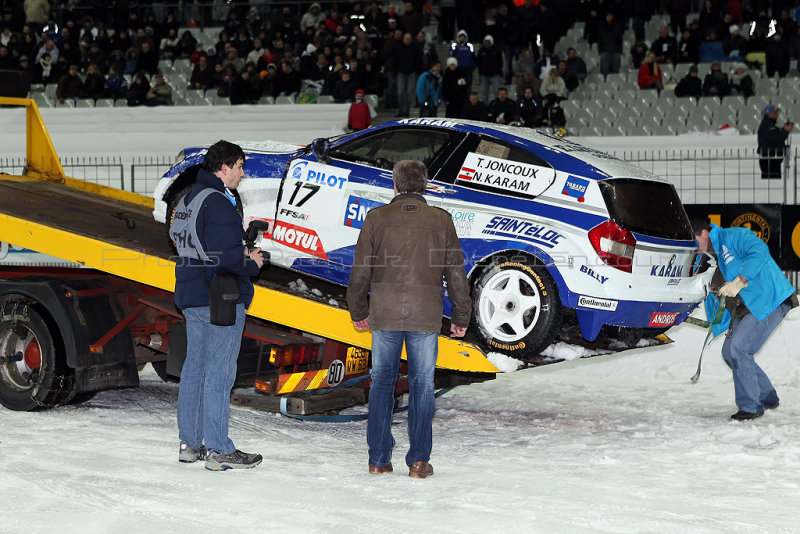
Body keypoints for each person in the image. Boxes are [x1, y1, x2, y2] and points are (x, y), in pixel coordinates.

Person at [346, 160, 472, 479]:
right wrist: (461, 314)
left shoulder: (376, 218)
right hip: (425, 316)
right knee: (421, 385)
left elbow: (360, 271)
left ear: (395, 186)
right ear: (425, 186)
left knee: (382, 384)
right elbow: (455, 273)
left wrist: (358, 310)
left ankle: (378, 459)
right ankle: (418, 461)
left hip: (385, 314)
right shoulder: (441, 220)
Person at [174, 140, 265, 470]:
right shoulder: (219, 203)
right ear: (224, 168)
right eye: (240, 166)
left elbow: (194, 244)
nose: (242, 173)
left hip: (192, 294)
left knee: (195, 370)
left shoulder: (188, 198)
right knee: (219, 374)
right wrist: (252, 262)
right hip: (219, 298)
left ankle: (189, 443)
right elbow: (225, 261)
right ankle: (218, 450)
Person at [691, 218, 795, 420]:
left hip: (768, 301)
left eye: (694, 241)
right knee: (730, 352)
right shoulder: (706, 258)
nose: (694, 249)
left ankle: (750, 407)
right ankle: (767, 396)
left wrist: (740, 281)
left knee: (739, 348)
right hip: (743, 310)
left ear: (704, 233)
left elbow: (759, 251)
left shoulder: (733, 236)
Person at [757, 105, 794, 179]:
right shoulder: (767, 125)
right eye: (774, 113)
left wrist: (784, 129)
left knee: (773, 181)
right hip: (769, 157)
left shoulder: (769, 124)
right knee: (771, 182)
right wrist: (786, 131)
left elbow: (776, 134)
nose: (777, 115)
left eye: (777, 113)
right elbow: (776, 138)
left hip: (772, 157)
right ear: (769, 114)